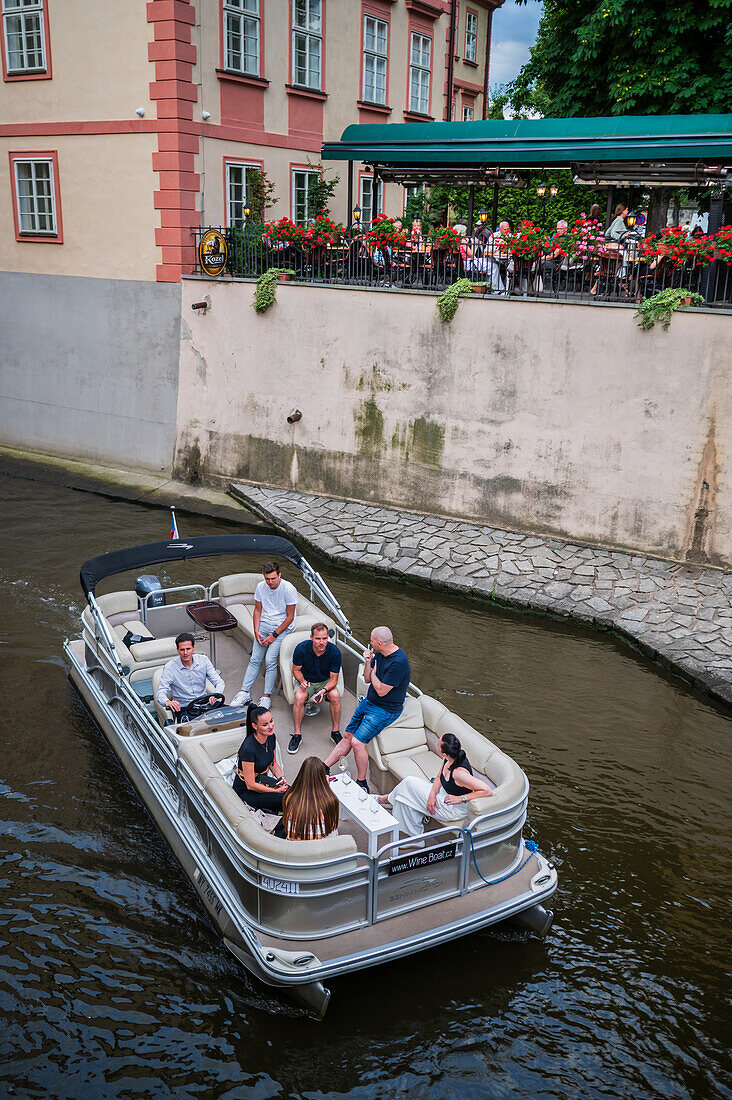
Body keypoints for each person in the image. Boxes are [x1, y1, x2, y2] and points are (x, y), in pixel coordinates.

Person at [323, 626, 410, 793]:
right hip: (369, 702)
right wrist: (369, 662)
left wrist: (375, 673)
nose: (369, 643)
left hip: (386, 709)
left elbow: (382, 690)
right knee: (348, 735)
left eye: (371, 641)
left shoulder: (398, 662)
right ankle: (324, 766)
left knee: (357, 742)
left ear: (379, 642)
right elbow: (368, 679)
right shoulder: (378, 653)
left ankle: (362, 783)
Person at [378, 732, 492, 837]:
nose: (437, 743)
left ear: (444, 753)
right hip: (443, 793)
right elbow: (438, 777)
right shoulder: (448, 758)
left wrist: (460, 798)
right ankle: (415, 837)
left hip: (452, 808)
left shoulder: (459, 773)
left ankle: (387, 799)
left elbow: (487, 791)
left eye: (438, 744)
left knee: (408, 784)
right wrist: (432, 795)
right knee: (406, 794)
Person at [231, 560, 297, 709]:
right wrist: (256, 630)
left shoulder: (288, 589)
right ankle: (244, 692)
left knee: (270, 660)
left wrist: (274, 635)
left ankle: (266, 696)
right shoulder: (261, 587)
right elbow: (258, 611)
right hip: (264, 625)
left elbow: (290, 617)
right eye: (267, 579)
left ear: (280, 575)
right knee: (255, 659)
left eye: (273, 578)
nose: (270, 582)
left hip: (282, 628)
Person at [289, 622, 342, 754]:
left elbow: (334, 679)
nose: (321, 642)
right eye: (318, 638)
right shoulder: (301, 649)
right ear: (311, 637)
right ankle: (297, 735)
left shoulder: (335, 652)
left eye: (324, 638)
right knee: (300, 696)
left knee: (335, 695)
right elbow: (295, 670)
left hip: (325, 682)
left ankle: (335, 732)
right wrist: (302, 681)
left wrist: (323, 691)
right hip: (307, 681)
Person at [156, 632, 224, 722]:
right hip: (184, 708)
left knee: (232, 714)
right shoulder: (170, 667)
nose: (185, 653)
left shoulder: (204, 660)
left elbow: (219, 682)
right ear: (177, 650)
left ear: (194, 648)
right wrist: (167, 702)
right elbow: (161, 692)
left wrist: (216, 694)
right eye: (182, 649)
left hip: (205, 703)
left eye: (188, 649)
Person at [233, 703, 288, 813]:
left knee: (292, 793)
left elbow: (273, 764)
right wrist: (275, 791)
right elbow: (250, 785)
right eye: (265, 724)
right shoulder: (248, 748)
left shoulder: (271, 736)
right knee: (286, 801)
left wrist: (281, 778)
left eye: (271, 721)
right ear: (255, 726)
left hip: (261, 779)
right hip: (246, 789)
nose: (271, 726)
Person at [282, 756, 339, 840]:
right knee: (334, 830)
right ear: (322, 778)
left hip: (293, 846)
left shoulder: (289, 797)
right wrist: (326, 788)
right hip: (318, 848)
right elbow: (331, 827)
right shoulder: (330, 801)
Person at [541, 219, 570, 288]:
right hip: (549, 259)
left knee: (537, 264)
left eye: (561, 229)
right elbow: (549, 247)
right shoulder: (556, 236)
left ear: (566, 229)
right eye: (557, 229)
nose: (558, 230)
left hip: (556, 262)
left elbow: (553, 255)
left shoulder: (565, 239)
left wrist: (540, 258)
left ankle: (537, 286)